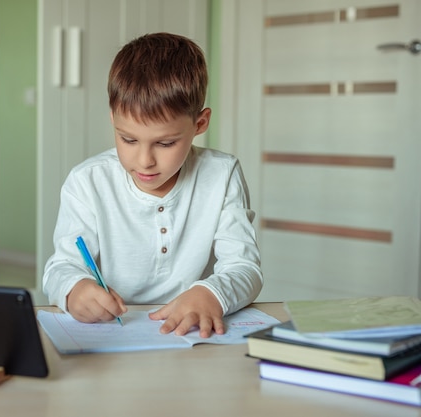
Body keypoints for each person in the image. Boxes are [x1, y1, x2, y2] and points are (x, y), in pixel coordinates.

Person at [42, 32, 262, 338]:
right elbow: (59, 268)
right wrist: (73, 289)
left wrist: (211, 294)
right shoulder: (88, 182)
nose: (144, 160)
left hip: (193, 339)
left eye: (166, 142)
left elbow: (244, 267)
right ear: (113, 118)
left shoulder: (221, 174)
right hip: (112, 335)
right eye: (128, 139)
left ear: (200, 124)